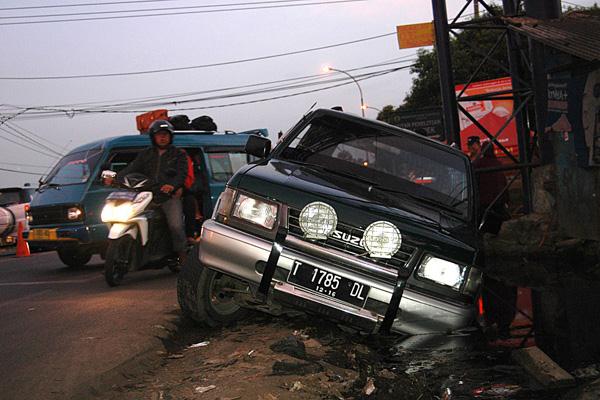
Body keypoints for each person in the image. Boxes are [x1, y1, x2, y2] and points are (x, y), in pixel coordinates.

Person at [109, 120, 188, 263]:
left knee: (176, 225)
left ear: (170, 137)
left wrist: (172, 185)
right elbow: (131, 169)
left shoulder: (178, 154)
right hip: (145, 195)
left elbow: (182, 174)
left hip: (167, 197)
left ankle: (183, 258)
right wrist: (116, 178)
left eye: (165, 135)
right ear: (153, 137)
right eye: (159, 135)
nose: (162, 138)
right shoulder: (145, 154)